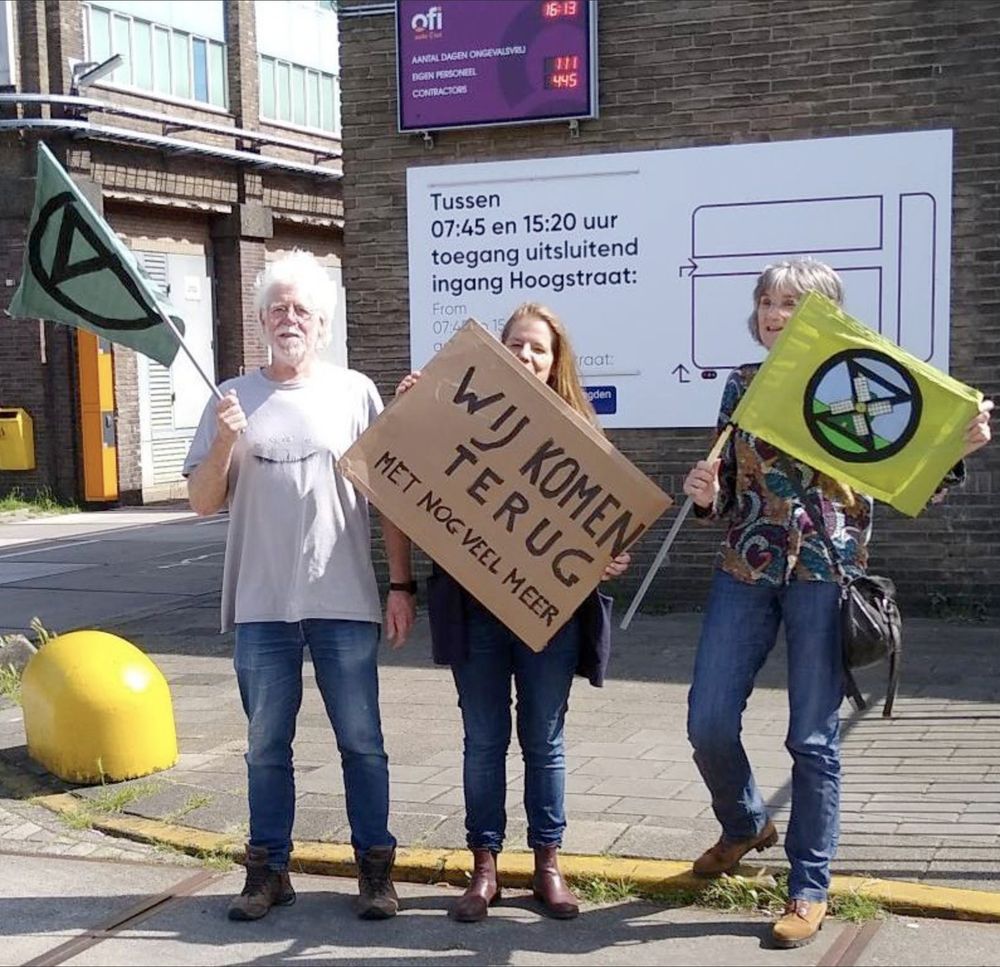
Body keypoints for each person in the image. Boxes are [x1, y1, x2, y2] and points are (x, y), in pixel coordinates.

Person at [682, 258, 994, 949]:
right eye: (767, 301)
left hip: (826, 574)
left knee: (812, 739)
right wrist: (708, 495)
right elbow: (729, 489)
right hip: (746, 567)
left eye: (790, 303)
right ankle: (744, 823)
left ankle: (808, 884)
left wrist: (956, 445)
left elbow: (917, 482)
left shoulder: (859, 381)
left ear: (821, 315)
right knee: (706, 718)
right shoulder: (743, 384)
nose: (773, 313)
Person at [184, 251, 417, 923]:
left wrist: (401, 584)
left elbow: (390, 500)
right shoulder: (231, 396)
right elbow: (202, 501)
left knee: (362, 741)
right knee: (264, 744)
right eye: (278, 308)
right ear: (260, 319)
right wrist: (226, 443)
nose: (290, 319)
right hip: (261, 604)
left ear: (324, 321)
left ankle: (375, 869)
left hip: (343, 598)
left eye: (302, 309)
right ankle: (267, 871)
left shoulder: (355, 391)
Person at [395, 304, 631, 922]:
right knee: (483, 741)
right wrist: (412, 413)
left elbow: (602, 529)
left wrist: (604, 560)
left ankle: (548, 865)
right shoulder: (454, 416)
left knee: (543, 741)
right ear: (496, 352)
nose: (526, 357)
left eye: (539, 349)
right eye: (516, 346)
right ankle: (485, 867)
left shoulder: (580, 433)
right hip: (473, 607)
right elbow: (411, 476)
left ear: (557, 363)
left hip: (546, 612)